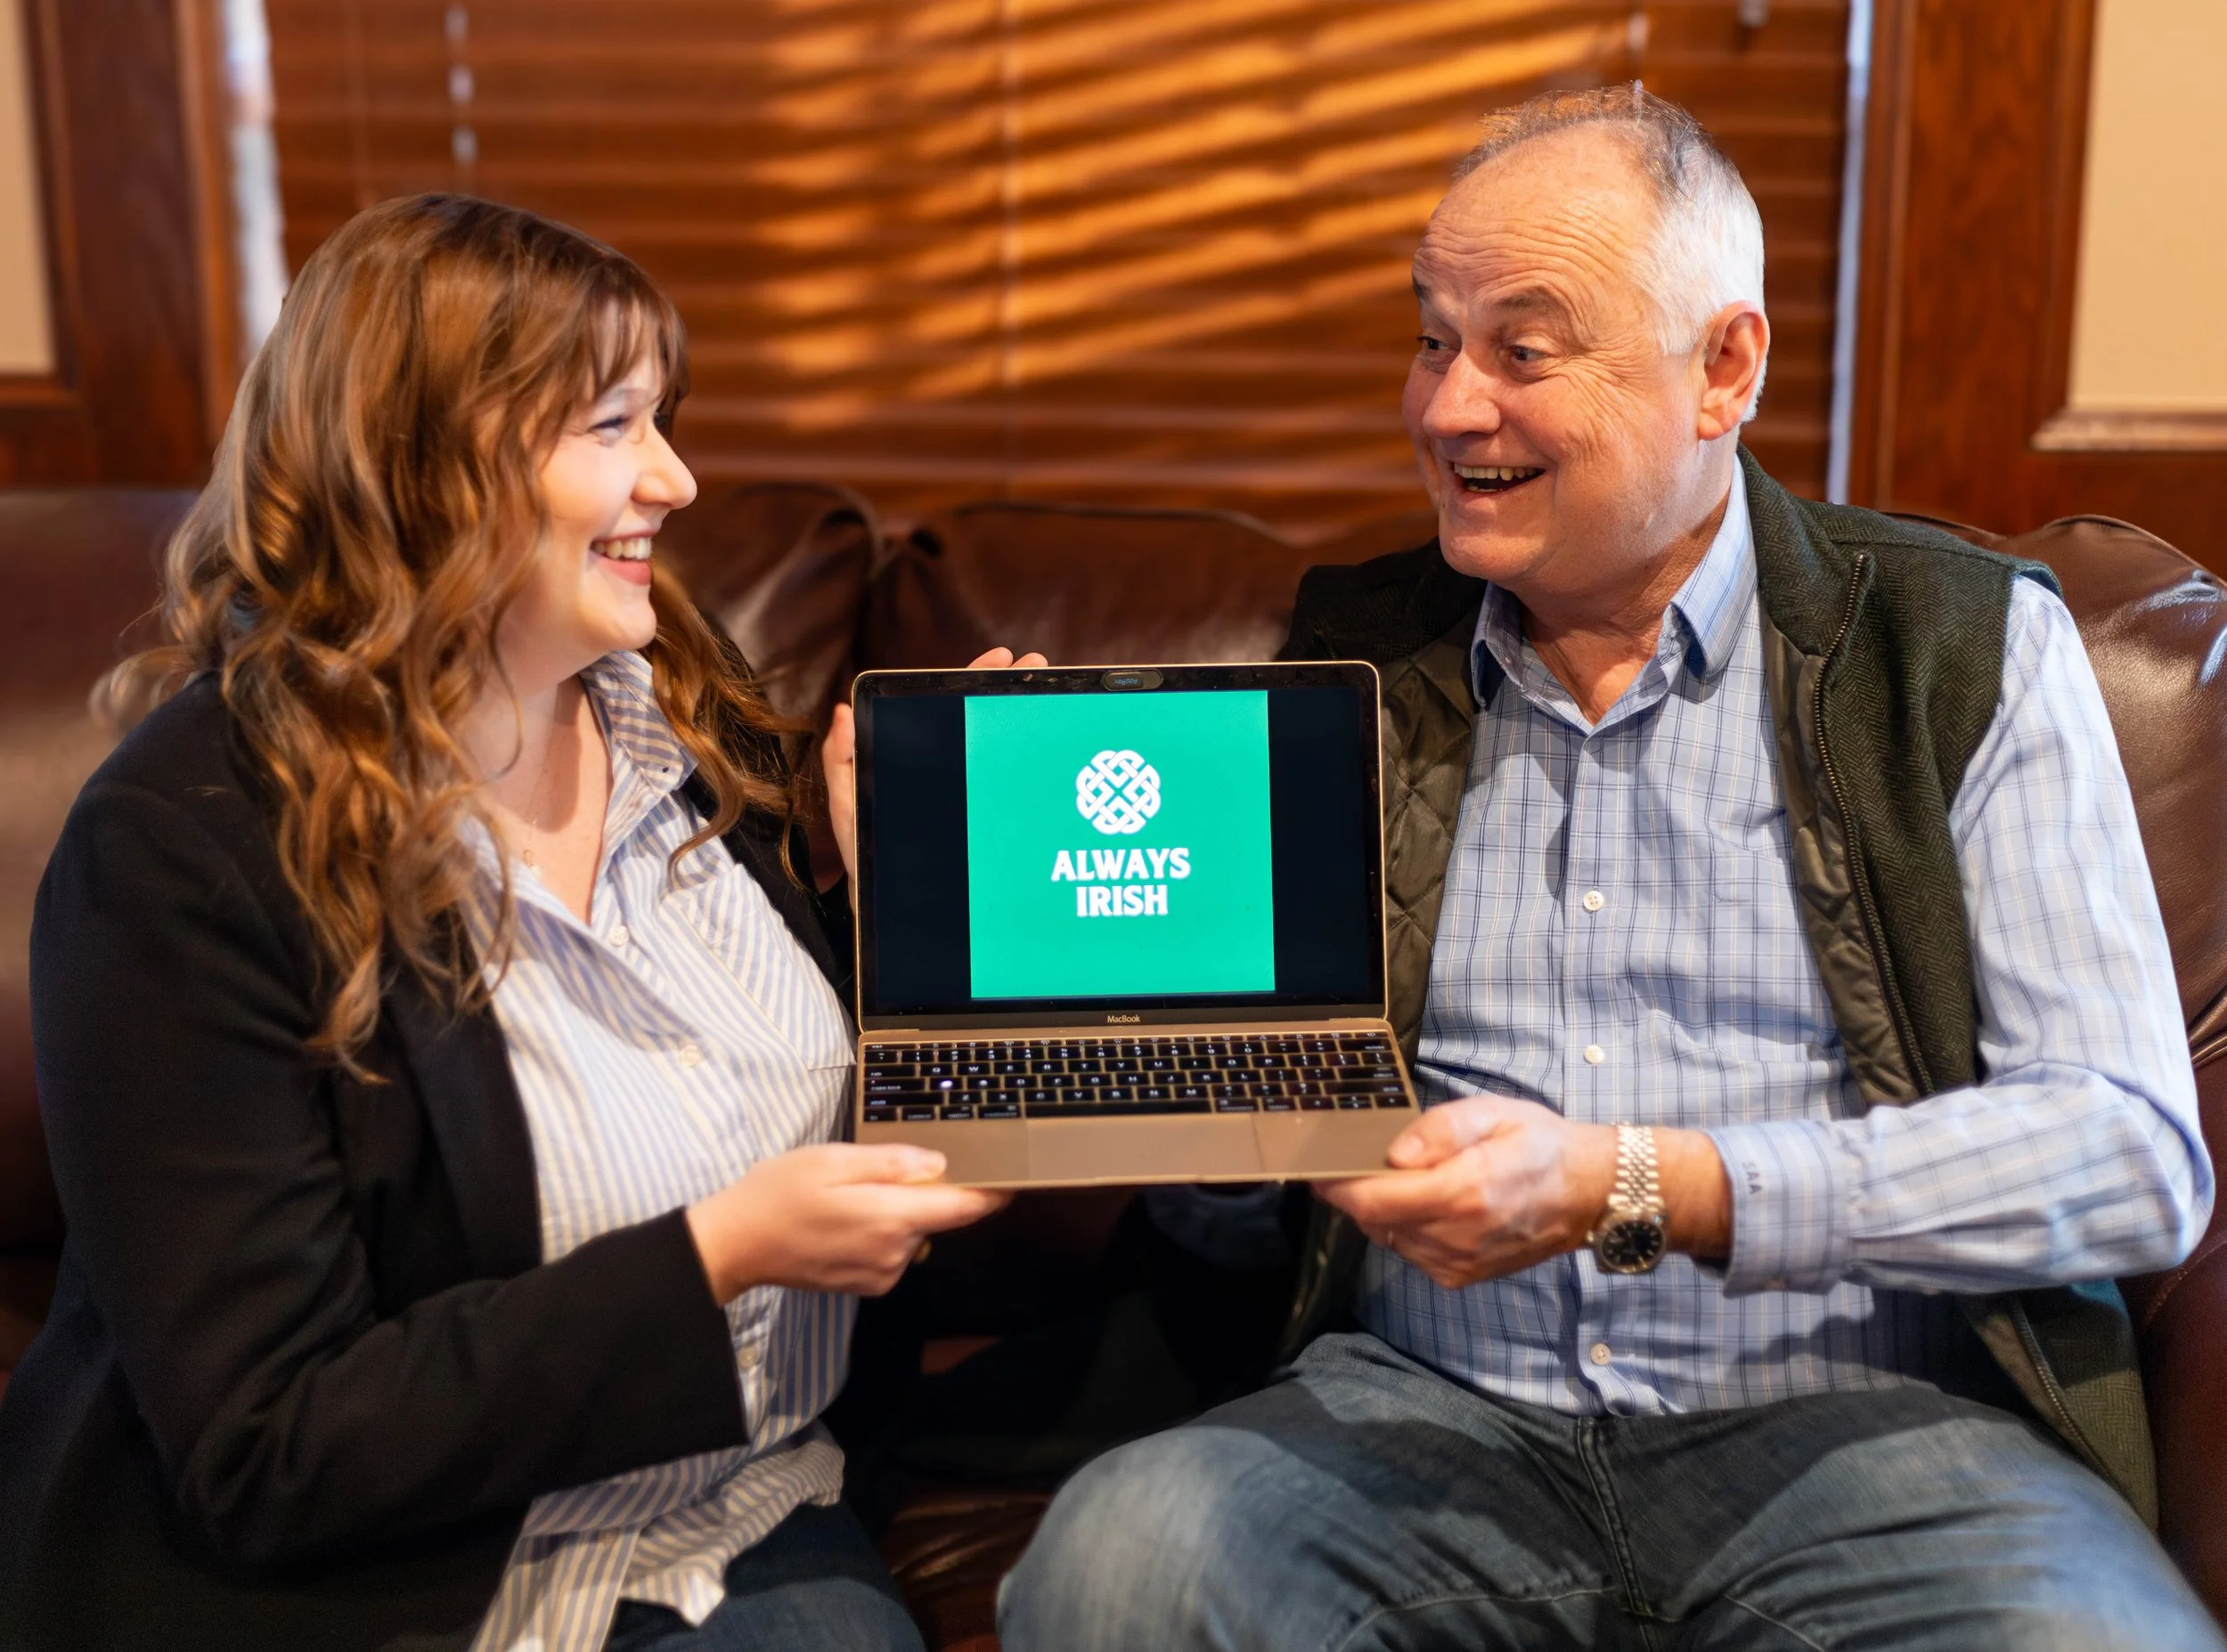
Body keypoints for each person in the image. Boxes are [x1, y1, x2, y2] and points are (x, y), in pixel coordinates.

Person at [999, 86, 2222, 1650]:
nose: (1447, 409)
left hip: (1872, 1434)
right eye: (1435, 339)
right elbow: (1245, 1196)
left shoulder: (1958, 647)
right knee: (1120, 1569)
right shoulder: (1357, 663)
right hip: (1426, 1414)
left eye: (1523, 347)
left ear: (1725, 367)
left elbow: (2127, 1155)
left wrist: (1642, 1182)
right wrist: (1061, 945)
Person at [0, 193, 1032, 1652]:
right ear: (417, 466)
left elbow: (797, 1097)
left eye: (661, 418)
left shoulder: (682, 702)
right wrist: (714, 1258)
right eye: (611, 426)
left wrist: (896, 909)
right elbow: (267, 1446)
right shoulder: (185, 852)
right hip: (411, 1584)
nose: (675, 477)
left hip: (750, 1504)